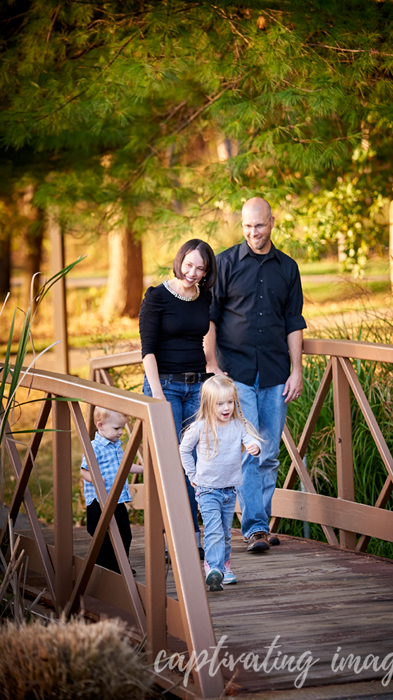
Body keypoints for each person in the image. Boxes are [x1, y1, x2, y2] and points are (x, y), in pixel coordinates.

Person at [205, 197, 307, 553]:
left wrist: (297, 370)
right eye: (247, 226)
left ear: (272, 222)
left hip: (277, 372)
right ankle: (255, 528)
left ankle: (259, 522)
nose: (253, 233)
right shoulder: (225, 263)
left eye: (259, 226)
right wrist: (211, 364)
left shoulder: (288, 268)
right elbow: (211, 317)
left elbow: (294, 321)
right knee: (251, 449)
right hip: (239, 372)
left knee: (270, 453)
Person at [139, 239, 217, 558]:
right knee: (173, 464)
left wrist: (214, 371)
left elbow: (206, 340)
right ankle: (173, 537)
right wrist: (157, 395)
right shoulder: (156, 297)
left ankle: (191, 534)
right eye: (188, 265)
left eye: (200, 268)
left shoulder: (204, 297)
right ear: (179, 260)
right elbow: (147, 350)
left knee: (196, 465)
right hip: (165, 387)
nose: (192, 273)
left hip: (197, 386)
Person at [179, 375, 261, 591]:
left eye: (230, 402)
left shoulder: (237, 425)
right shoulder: (200, 427)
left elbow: (250, 439)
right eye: (220, 403)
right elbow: (184, 449)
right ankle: (213, 569)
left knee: (225, 534)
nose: (226, 408)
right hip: (206, 490)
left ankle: (224, 567)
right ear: (208, 404)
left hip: (229, 490)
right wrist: (192, 475)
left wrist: (255, 447)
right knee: (214, 531)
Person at [81, 407, 143, 573]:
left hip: (117, 499)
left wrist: (145, 469)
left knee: (125, 535)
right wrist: (94, 478)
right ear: (100, 426)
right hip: (99, 501)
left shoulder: (116, 446)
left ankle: (122, 564)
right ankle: (106, 569)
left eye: (122, 428)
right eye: (117, 428)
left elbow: (126, 465)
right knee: (103, 537)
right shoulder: (94, 447)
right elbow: (83, 470)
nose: (121, 432)